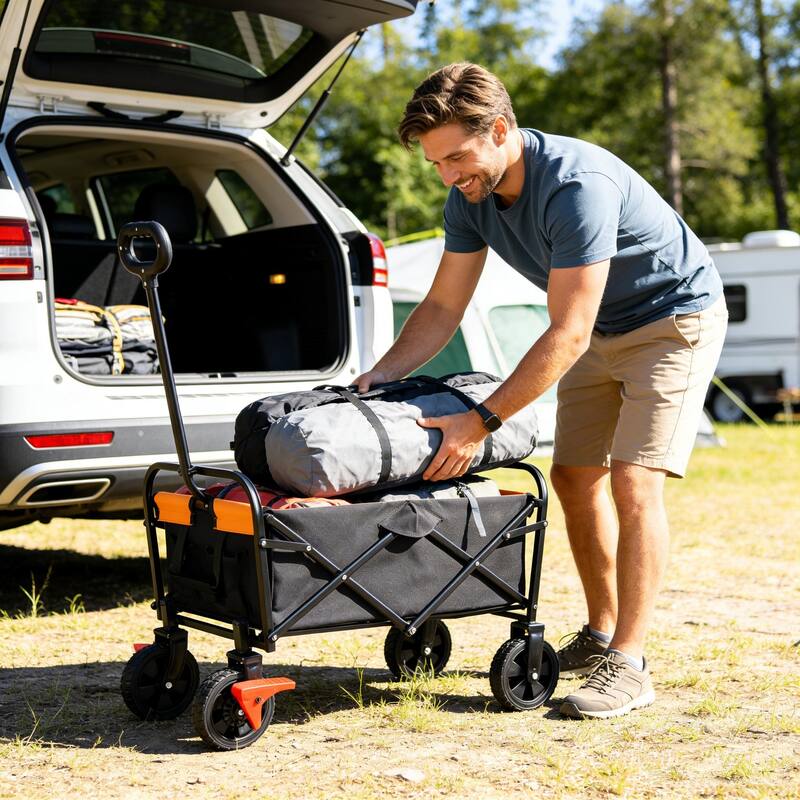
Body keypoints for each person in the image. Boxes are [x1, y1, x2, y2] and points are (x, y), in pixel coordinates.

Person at [355, 62, 727, 720]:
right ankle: (602, 631)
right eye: (437, 163)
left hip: (673, 321)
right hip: (600, 326)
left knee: (634, 481)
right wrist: (381, 374)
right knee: (574, 475)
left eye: (457, 158)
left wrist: (480, 421)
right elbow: (442, 308)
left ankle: (630, 664)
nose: (448, 176)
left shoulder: (575, 187)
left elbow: (567, 330)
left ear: (499, 130)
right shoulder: (468, 196)